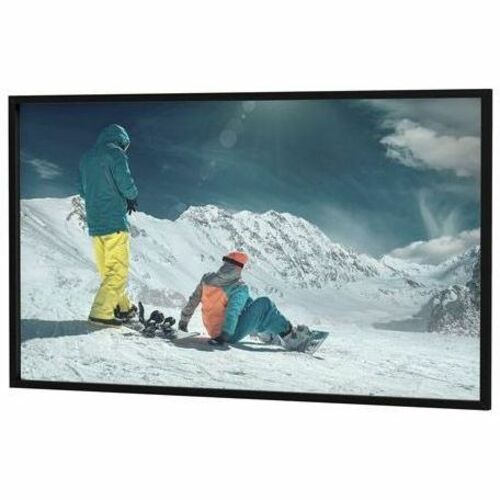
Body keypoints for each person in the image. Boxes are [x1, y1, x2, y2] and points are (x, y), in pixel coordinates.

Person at [179, 251, 312, 350]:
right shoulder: (239, 288)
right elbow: (232, 312)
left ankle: (268, 334)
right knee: (264, 303)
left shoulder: (207, 278)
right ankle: (290, 336)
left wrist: (183, 322)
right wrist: (225, 335)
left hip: (212, 329)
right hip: (227, 334)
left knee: (248, 302)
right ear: (240, 267)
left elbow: (193, 300)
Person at [79, 124, 139, 326]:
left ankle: (123, 307)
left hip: (95, 225)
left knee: (108, 271)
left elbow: (82, 190)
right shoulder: (116, 153)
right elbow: (125, 181)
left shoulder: (86, 158)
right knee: (118, 271)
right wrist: (132, 196)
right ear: (122, 140)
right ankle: (101, 312)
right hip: (114, 222)